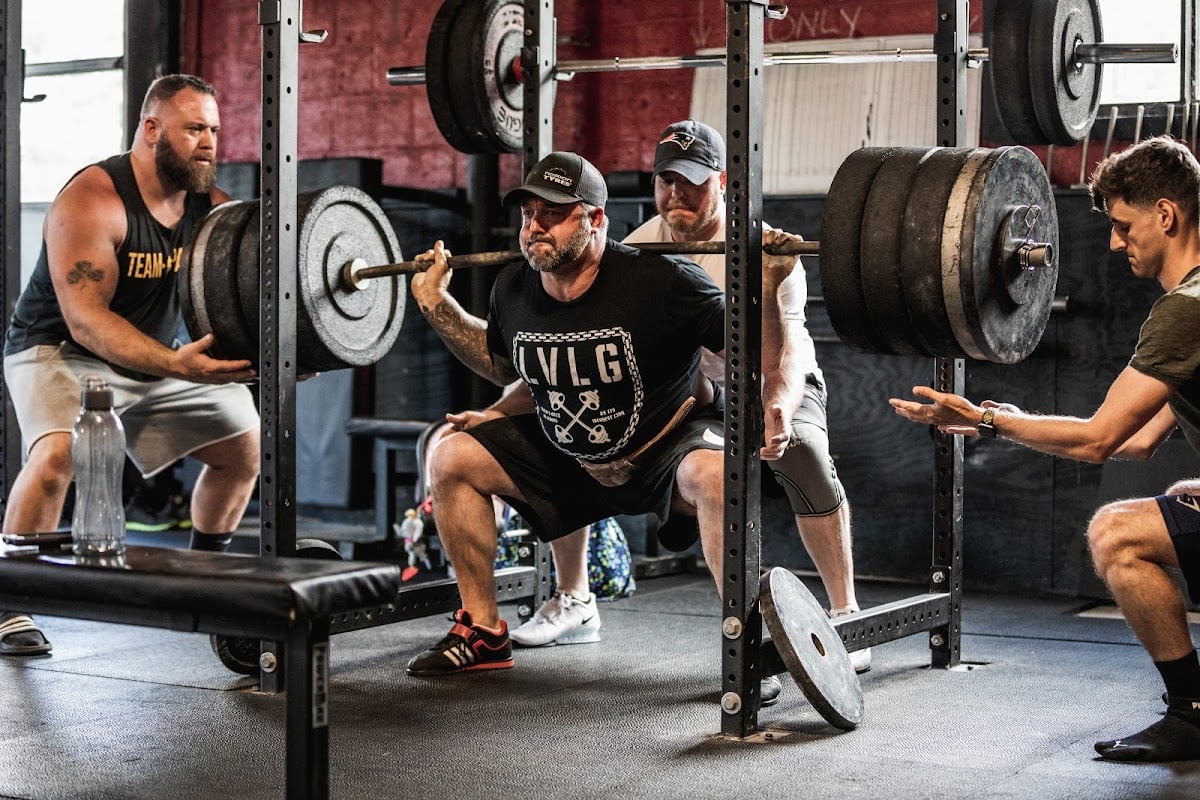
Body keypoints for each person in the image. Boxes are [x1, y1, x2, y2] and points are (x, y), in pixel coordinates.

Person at [405, 151, 770, 693]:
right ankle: (483, 631)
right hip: (569, 455)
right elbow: (502, 362)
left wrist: (768, 282)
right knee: (453, 455)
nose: (534, 228)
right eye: (528, 215)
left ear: (596, 218)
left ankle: (747, 644)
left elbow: (750, 349)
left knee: (717, 477)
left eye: (552, 214)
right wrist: (437, 304)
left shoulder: (663, 280)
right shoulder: (514, 288)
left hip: (661, 449)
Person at [889, 134, 1200, 762]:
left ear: (1165, 215)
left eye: (1123, 225)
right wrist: (994, 422)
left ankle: (1193, 712)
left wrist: (988, 419)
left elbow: (1099, 440)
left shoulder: (1185, 312)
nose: (1115, 243)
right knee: (1174, 499)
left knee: (1116, 534)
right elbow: (1140, 442)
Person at [0, 74, 260, 656]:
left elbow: (241, 294)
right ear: (150, 129)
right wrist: (177, 363)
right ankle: (8, 602)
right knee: (58, 454)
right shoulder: (94, 198)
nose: (210, 143)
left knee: (244, 448)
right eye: (194, 128)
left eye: (215, 130)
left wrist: (280, 356)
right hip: (59, 351)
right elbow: (86, 320)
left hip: (156, 359)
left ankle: (204, 582)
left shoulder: (208, 208)